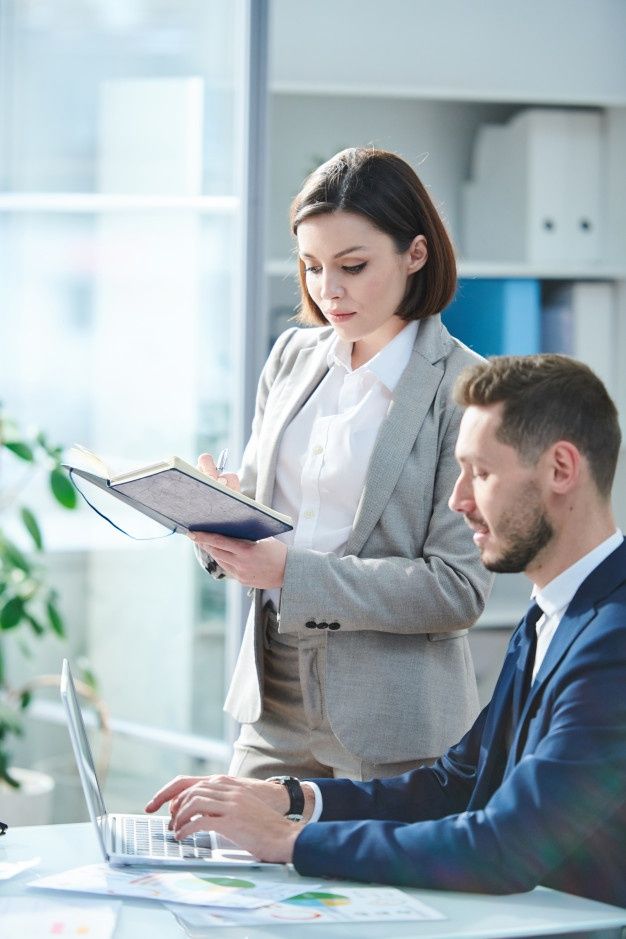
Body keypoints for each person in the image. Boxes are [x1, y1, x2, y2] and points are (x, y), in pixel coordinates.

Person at [147, 354, 626, 908]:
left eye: (483, 473)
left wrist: (290, 841)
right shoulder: (553, 615)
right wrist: (289, 797)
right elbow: (456, 784)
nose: (457, 500)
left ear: (562, 470)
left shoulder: (612, 640)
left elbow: (506, 845)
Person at [191, 146, 492, 781]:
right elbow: (265, 515)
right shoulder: (292, 358)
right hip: (271, 696)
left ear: (416, 253)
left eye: (353, 266)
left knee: (376, 883)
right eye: (312, 267)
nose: (330, 290)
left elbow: (456, 589)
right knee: (235, 871)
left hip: (391, 721)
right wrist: (218, 512)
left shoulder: (466, 390)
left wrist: (293, 574)